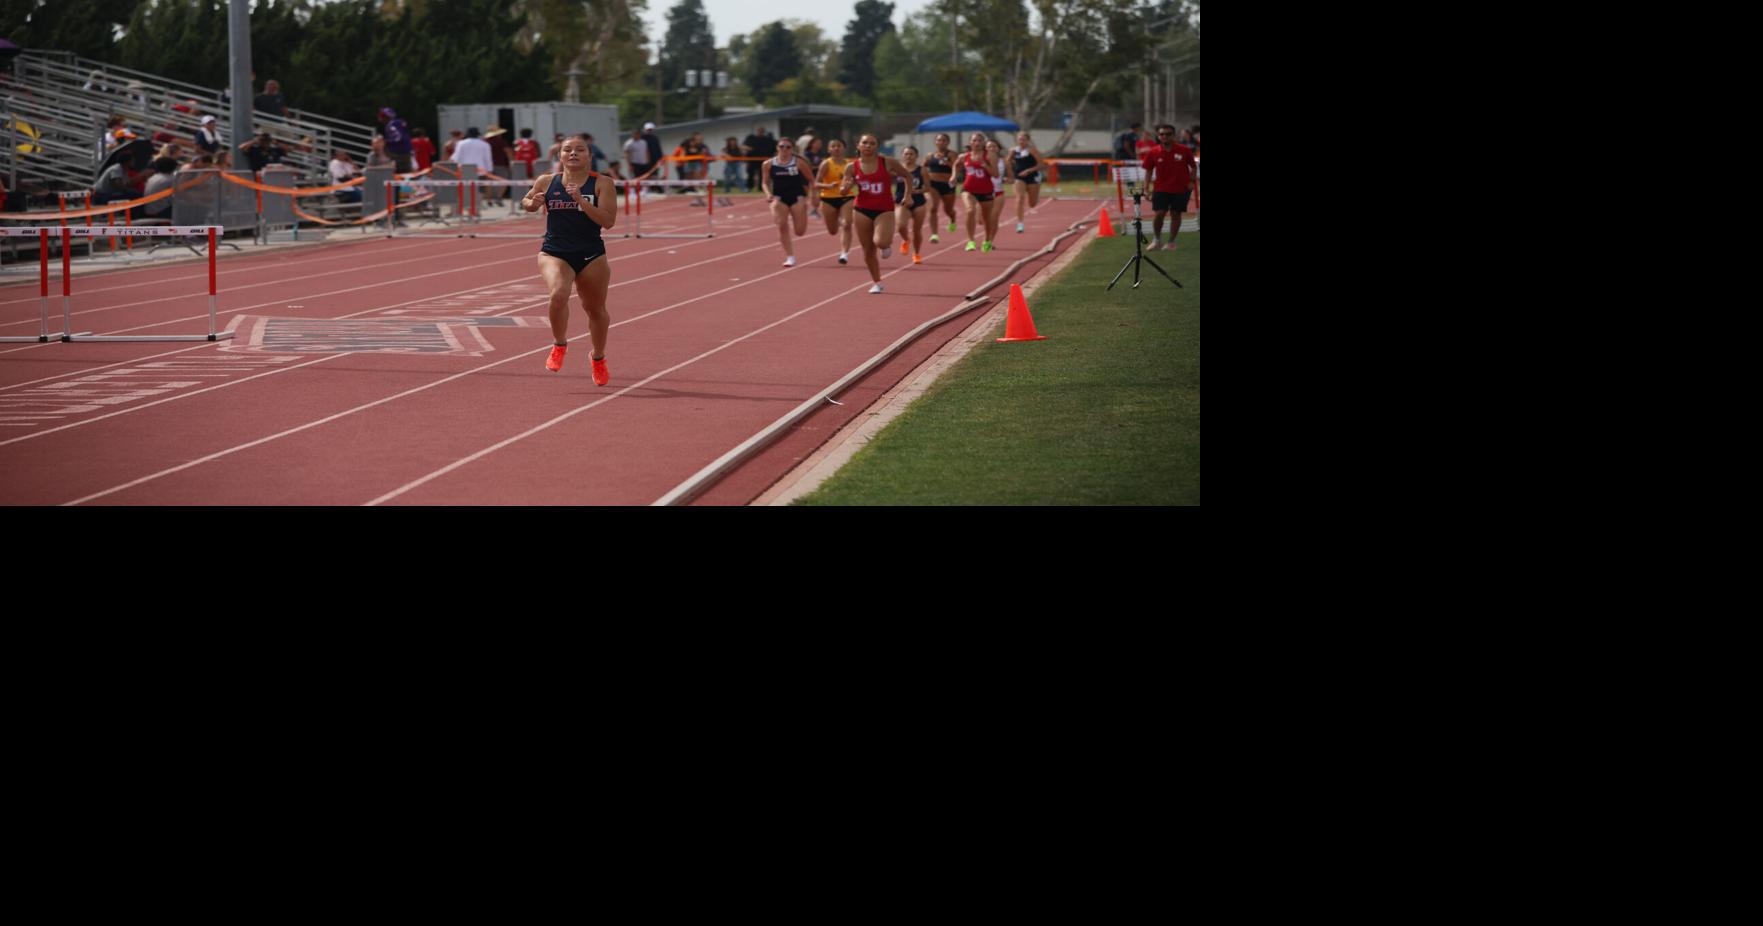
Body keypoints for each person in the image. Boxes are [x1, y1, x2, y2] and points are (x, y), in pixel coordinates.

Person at [520, 134, 617, 384]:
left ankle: (598, 358)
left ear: (589, 156)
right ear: (559, 156)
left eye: (579, 149)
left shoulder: (602, 183)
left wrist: (581, 201)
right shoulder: (547, 181)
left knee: (595, 310)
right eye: (567, 150)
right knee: (558, 295)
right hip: (555, 251)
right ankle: (559, 344)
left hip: (591, 253)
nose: (573, 153)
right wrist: (532, 202)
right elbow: (527, 200)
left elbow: (608, 221)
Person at [838, 134, 917, 294]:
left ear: (877, 146)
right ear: (858, 145)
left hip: (884, 209)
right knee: (867, 249)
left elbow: (907, 175)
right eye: (865, 143)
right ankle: (877, 282)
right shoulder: (852, 167)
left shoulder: (887, 162)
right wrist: (846, 188)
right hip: (861, 209)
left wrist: (907, 195)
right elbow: (843, 189)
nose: (868, 146)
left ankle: (885, 245)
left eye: (872, 143)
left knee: (880, 242)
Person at [1141, 123, 1198, 250]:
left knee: (1176, 214)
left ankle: (1171, 242)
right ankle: (1157, 240)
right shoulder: (1153, 152)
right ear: (1158, 136)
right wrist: (1146, 189)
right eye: (1162, 134)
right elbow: (1149, 171)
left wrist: (1191, 181)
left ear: (1174, 135)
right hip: (1161, 188)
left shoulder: (1184, 150)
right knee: (1159, 213)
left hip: (1181, 188)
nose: (1165, 136)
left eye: (1168, 134)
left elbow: (1193, 167)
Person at [762, 136, 812, 268]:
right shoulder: (768, 164)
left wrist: (813, 195)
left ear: (792, 149)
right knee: (782, 225)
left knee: (799, 232)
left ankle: (803, 213)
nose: (784, 149)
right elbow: (764, 182)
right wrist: (768, 194)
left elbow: (811, 179)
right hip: (779, 198)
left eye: (788, 147)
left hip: (797, 198)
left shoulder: (799, 163)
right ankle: (790, 257)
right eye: (781, 146)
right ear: (777, 148)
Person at [951, 132, 999, 252]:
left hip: (986, 190)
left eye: (979, 140)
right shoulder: (964, 156)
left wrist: (985, 165)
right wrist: (953, 176)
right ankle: (971, 241)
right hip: (968, 189)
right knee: (970, 211)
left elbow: (996, 174)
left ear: (983, 143)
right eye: (974, 140)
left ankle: (987, 240)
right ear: (970, 143)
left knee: (986, 218)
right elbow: (955, 165)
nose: (977, 143)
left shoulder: (990, 156)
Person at [813, 138, 855, 265]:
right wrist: (827, 186)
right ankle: (837, 218)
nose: (836, 148)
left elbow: (855, 180)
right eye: (833, 146)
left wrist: (849, 185)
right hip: (828, 198)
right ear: (829, 149)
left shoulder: (850, 164)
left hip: (846, 197)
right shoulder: (826, 164)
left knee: (847, 224)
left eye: (839, 146)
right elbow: (816, 183)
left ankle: (844, 253)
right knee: (833, 231)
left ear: (844, 148)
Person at [1007, 131, 1049, 233]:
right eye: (1020, 139)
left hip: (1032, 177)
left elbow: (1042, 165)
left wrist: (1029, 170)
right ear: (1017, 140)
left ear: (1028, 140)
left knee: (1032, 204)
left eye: (1024, 139)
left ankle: (1035, 195)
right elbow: (1007, 161)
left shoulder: (1032, 150)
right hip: (1019, 177)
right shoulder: (1013, 150)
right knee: (1019, 198)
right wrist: (1011, 175)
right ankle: (1020, 223)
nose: (1021, 141)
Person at [893, 145, 929, 265]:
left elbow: (927, 188)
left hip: (918, 202)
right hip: (902, 201)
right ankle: (906, 240)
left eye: (911, 154)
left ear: (916, 156)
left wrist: (916, 191)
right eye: (906, 154)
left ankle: (916, 253)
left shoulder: (922, 170)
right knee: (900, 225)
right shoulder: (897, 169)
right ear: (902, 156)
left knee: (916, 230)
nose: (909, 156)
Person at [922, 132, 957, 243]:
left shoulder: (951, 154)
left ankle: (952, 218)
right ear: (935, 142)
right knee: (933, 208)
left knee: (948, 209)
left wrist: (946, 161)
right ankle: (934, 234)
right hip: (933, 184)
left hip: (947, 185)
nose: (941, 142)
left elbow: (957, 169)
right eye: (939, 140)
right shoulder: (929, 155)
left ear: (948, 142)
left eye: (944, 140)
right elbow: (922, 167)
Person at [451, 127, 495, 208]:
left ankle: (466, 207)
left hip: (464, 170)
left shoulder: (461, 143)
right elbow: (488, 159)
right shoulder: (485, 144)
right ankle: (477, 207)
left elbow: (456, 158)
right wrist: (489, 171)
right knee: (479, 189)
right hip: (480, 170)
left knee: (465, 189)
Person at [984, 138, 1006, 244]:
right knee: (981, 220)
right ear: (985, 149)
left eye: (994, 146)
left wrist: (1007, 179)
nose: (992, 148)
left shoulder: (1004, 161)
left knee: (994, 217)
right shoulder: (980, 160)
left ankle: (989, 241)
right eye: (989, 146)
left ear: (998, 149)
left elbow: (1011, 177)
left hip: (998, 192)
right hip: (983, 192)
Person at [741, 124, 776, 192]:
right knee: (750, 174)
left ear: (764, 132)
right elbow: (742, 146)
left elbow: (775, 149)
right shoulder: (751, 138)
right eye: (759, 131)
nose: (760, 132)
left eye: (762, 131)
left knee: (762, 174)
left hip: (763, 160)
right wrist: (748, 149)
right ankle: (749, 187)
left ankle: (761, 188)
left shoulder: (768, 140)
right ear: (756, 131)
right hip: (752, 159)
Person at [378, 107, 413, 172]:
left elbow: (398, 137)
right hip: (406, 153)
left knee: (397, 174)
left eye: (382, 116)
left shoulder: (391, 125)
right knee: (406, 174)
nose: (380, 118)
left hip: (397, 154)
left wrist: (386, 142)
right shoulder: (399, 123)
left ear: (386, 117)